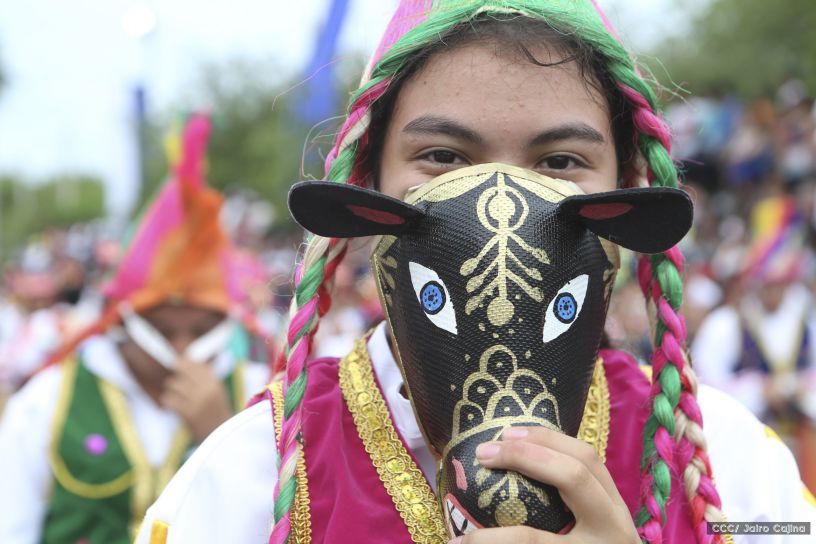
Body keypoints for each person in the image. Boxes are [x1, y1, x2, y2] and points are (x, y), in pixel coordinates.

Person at [138, 3, 816, 543]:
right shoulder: (243, 482)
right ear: (368, 183)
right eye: (443, 156)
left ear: (628, 187)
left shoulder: (734, 477)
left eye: (558, 163)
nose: (502, 203)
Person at [0, 114, 269, 544]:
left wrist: (226, 436)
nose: (184, 351)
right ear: (122, 319)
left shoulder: (262, 405)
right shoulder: (47, 402)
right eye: (163, 330)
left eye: (202, 330)